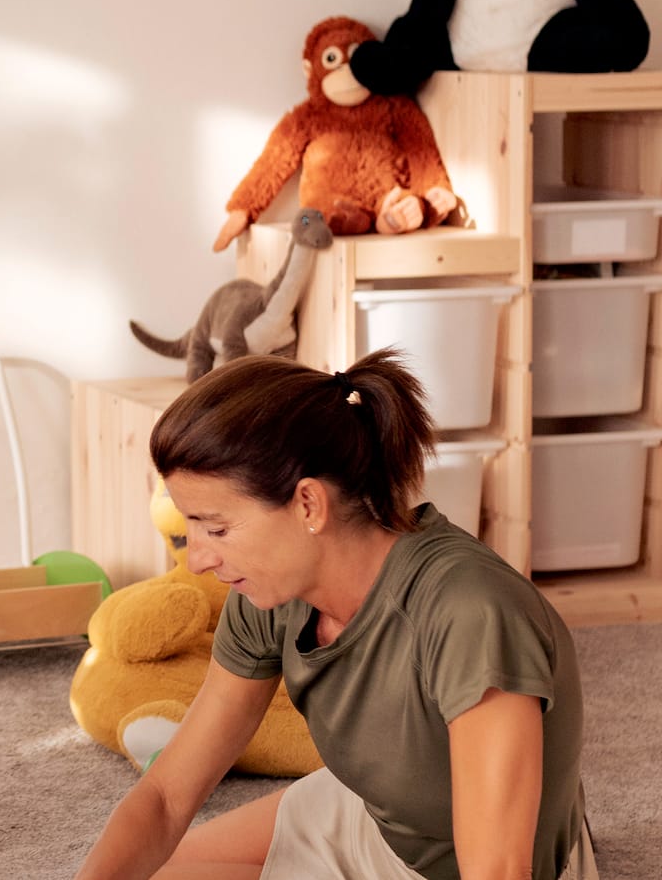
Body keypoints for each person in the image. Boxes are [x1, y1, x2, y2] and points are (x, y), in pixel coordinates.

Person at [76, 350, 594, 880]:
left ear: (308, 504)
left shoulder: (471, 614)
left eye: (218, 529)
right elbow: (166, 797)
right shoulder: (270, 594)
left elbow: (500, 871)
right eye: (192, 527)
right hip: (372, 814)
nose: (199, 559)